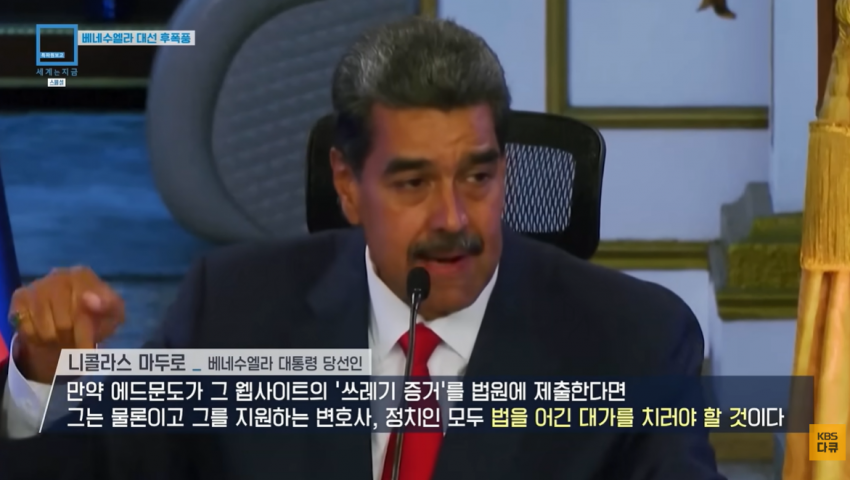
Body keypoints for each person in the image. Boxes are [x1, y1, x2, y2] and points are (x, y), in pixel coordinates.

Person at [0, 17, 724, 480]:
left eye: (478, 177)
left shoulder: (634, 342)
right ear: (348, 186)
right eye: (413, 183)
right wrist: (42, 376)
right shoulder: (232, 310)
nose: (454, 219)